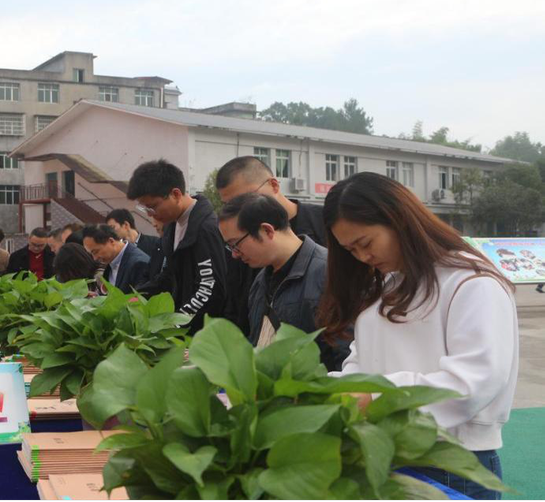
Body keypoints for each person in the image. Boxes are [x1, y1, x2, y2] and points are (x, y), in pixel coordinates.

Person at [321, 173, 518, 501]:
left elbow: (475, 382)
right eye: (350, 250)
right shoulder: (385, 287)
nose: (362, 257)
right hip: (387, 451)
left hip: (451, 460)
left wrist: (376, 399)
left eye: (365, 243)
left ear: (397, 218)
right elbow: (361, 363)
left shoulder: (471, 283)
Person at [217, 193, 349, 371]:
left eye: (235, 244)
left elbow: (345, 356)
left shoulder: (329, 274)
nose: (234, 254)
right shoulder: (260, 280)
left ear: (267, 230)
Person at [128, 159, 237, 334]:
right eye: (145, 208)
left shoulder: (205, 229)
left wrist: (177, 322)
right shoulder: (173, 226)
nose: (150, 214)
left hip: (203, 332)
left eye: (153, 206)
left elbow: (209, 288)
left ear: (176, 194)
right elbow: (169, 274)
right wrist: (136, 296)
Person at [216, 156, 327, 246]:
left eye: (245, 199)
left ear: (274, 185)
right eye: (228, 205)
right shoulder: (238, 240)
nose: (238, 210)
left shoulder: (324, 221)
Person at [81, 225, 151, 293]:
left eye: (96, 252)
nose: (95, 258)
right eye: (91, 254)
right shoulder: (111, 261)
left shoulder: (138, 263)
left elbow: (141, 299)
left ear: (111, 241)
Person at [107, 208, 164, 278]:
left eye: (112, 228)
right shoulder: (120, 251)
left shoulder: (155, 243)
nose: (110, 232)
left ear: (126, 225)